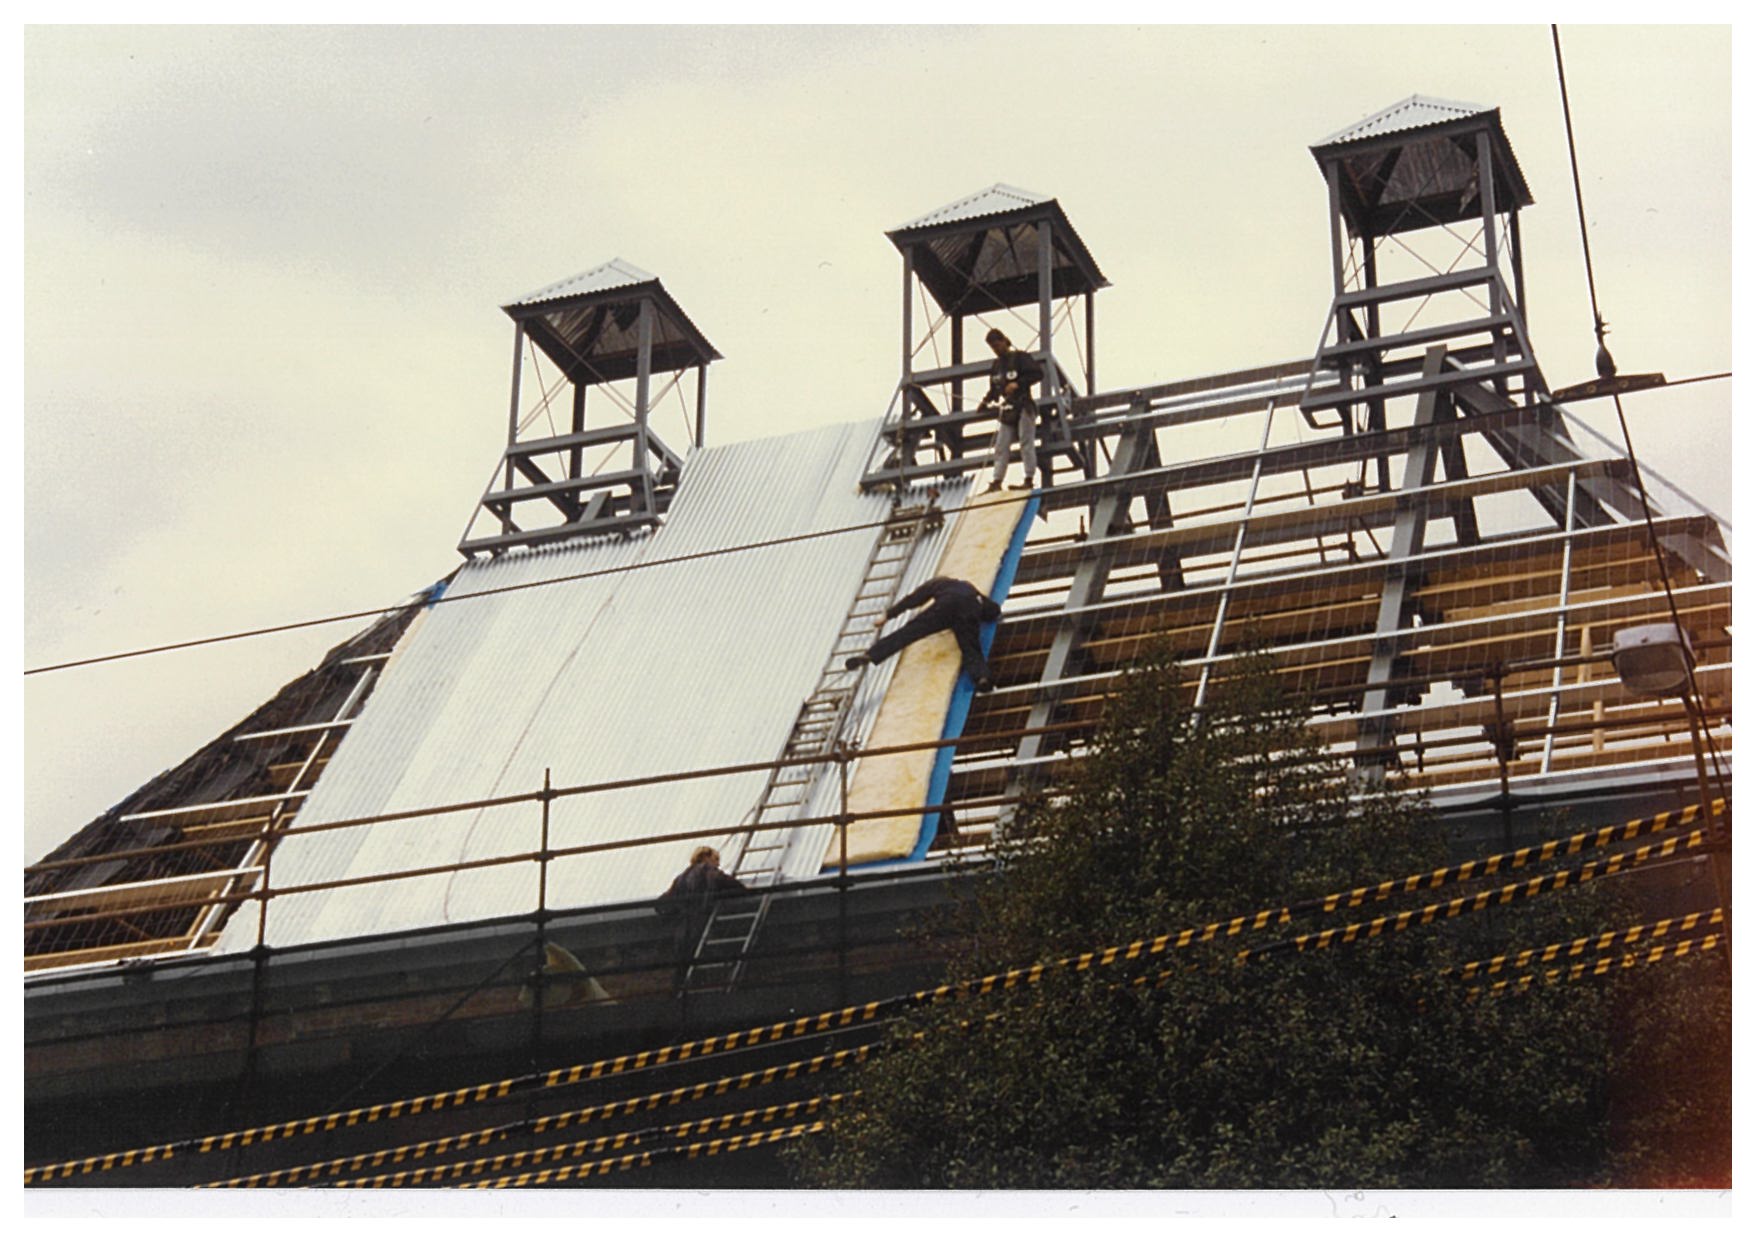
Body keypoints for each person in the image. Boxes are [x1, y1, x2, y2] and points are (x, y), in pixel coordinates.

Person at [845, 576, 1001, 693]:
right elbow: (992, 610)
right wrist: (988, 615)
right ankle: (982, 678)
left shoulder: (937, 584)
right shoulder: (968, 588)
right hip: (969, 609)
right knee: (970, 647)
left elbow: (912, 601)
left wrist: (887, 615)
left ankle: (871, 655)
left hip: (944, 608)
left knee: (910, 631)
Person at [656, 846, 751, 992]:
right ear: (705, 857)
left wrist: (676, 913)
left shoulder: (680, 878)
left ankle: (677, 999)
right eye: (716, 859)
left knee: (682, 969)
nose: (718, 864)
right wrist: (744, 891)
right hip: (700, 926)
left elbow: (662, 903)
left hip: (682, 933)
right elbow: (727, 883)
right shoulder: (707, 871)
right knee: (704, 969)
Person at [979, 328, 1044, 494]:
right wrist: (986, 401)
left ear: (1003, 341)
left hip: (1024, 405)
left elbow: (1037, 373)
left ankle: (1028, 479)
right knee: (1001, 445)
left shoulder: (1020, 357)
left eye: (997, 345)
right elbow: (994, 389)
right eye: (992, 347)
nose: (996, 349)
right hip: (1009, 409)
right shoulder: (996, 366)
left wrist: (1019, 383)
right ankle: (996, 481)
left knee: (1025, 441)